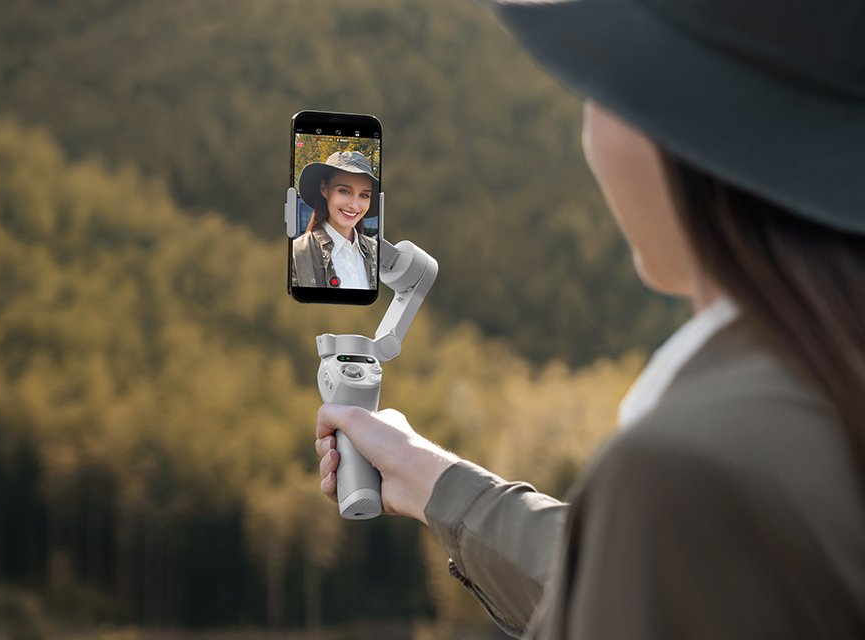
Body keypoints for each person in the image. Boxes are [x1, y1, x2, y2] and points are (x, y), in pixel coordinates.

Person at [314, 0, 865, 638]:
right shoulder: (812, 404)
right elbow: (668, 582)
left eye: (603, 86)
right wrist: (433, 481)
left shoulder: (683, 468)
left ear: (676, 130)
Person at [291, 151, 378, 289]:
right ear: (324, 188)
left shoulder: (377, 253)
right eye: (344, 191)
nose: (354, 205)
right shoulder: (297, 254)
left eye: (364, 195)